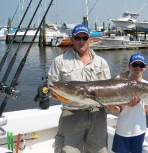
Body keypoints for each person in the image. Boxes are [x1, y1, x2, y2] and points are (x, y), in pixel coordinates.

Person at [47, 24, 111, 153]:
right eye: (77, 38)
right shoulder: (60, 61)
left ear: (90, 40)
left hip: (97, 115)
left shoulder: (101, 62)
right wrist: (63, 95)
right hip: (71, 114)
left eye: (85, 38)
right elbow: (51, 89)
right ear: (72, 39)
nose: (81, 41)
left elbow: (108, 90)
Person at [106, 52, 148, 153]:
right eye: (135, 65)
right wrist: (112, 109)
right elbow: (118, 109)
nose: (138, 68)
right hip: (122, 130)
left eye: (141, 65)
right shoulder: (120, 85)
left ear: (145, 67)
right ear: (129, 66)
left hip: (139, 131)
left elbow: (146, 110)